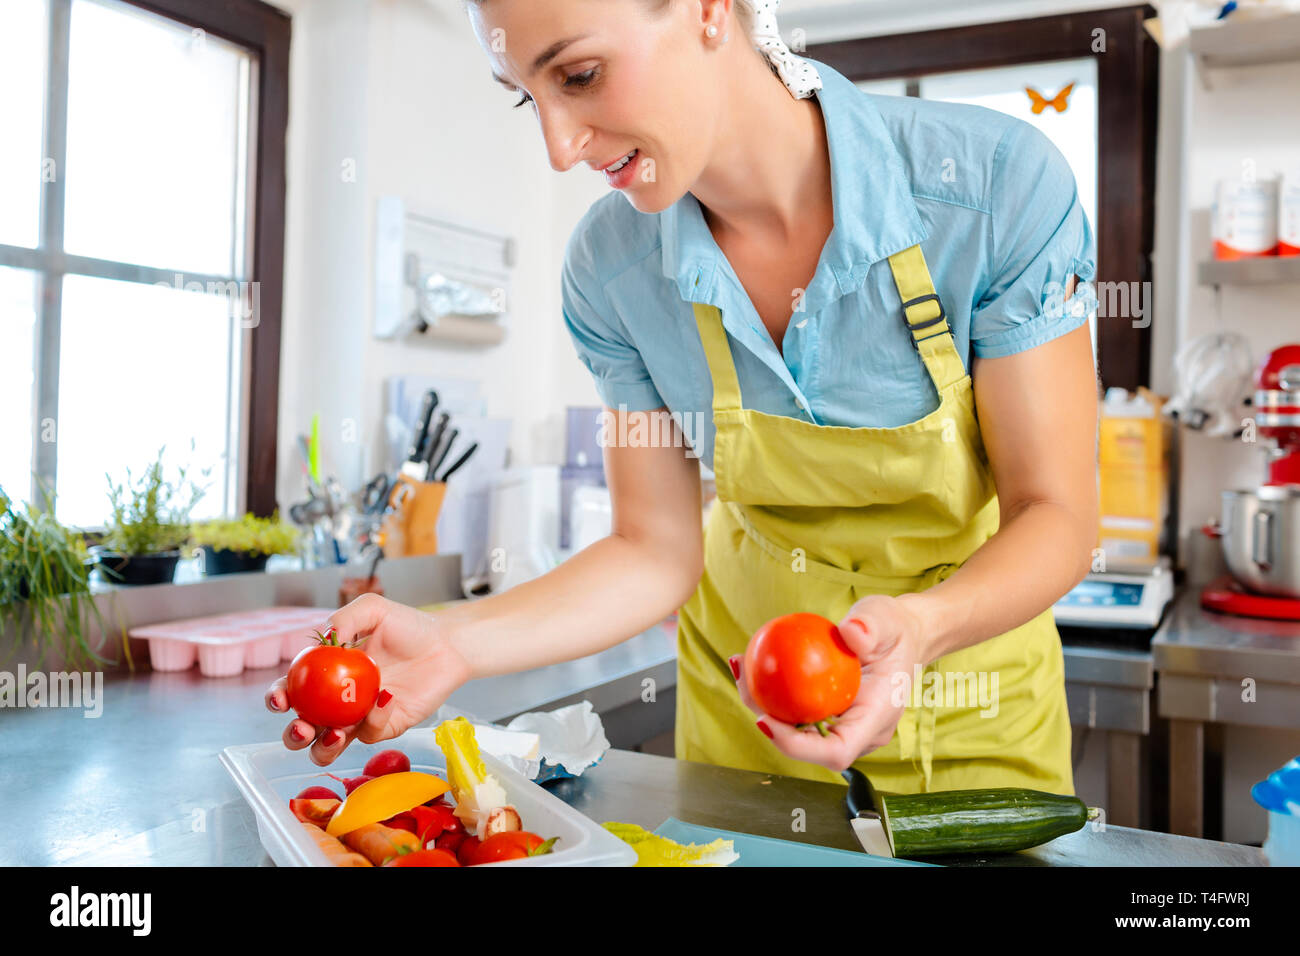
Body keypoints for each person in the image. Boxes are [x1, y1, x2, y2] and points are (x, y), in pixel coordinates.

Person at [267, 0, 1100, 796]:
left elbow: (1055, 513)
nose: (560, 148)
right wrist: (453, 640)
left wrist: (920, 630)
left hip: (969, 706)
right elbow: (652, 549)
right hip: (749, 711)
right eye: (530, 96)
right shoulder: (611, 272)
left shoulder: (993, 191)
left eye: (581, 75)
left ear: (707, 10)